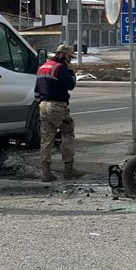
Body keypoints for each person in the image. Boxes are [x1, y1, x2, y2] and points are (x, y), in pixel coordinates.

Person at [34, 44, 84, 182]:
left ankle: (46, 173)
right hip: (57, 106)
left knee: (46, 139)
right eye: (70, 57)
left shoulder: (43, 67)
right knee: (67, 133)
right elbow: (70, 85)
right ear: (63, 56)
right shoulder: (60, 68)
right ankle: (69, 170)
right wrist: (71, 73)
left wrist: (41, 102)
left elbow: (36, 91)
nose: (70, 61)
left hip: (43, 105)